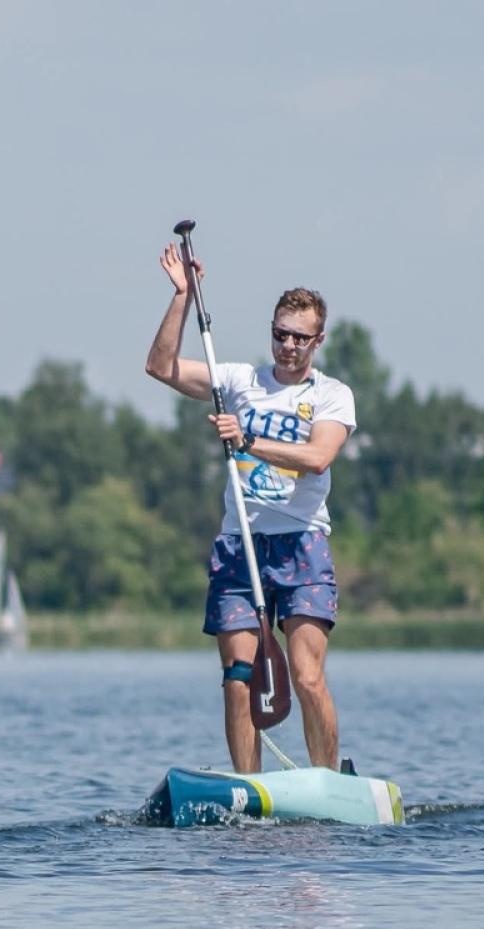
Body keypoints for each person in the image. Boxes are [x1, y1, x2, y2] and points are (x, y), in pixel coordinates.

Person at [144, 244, 355, 774]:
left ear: (317, 341)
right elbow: (159, 366)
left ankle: (327, 781)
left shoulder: (332, 396)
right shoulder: (239, 381)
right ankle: (250, 789)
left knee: (306, 676)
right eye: (279, 333)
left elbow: (319, 457)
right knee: (239, 679)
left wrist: (248, 441)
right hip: (240, 546)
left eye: (299, 337)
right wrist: (182, 298)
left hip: (301, 543)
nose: (287, 345)